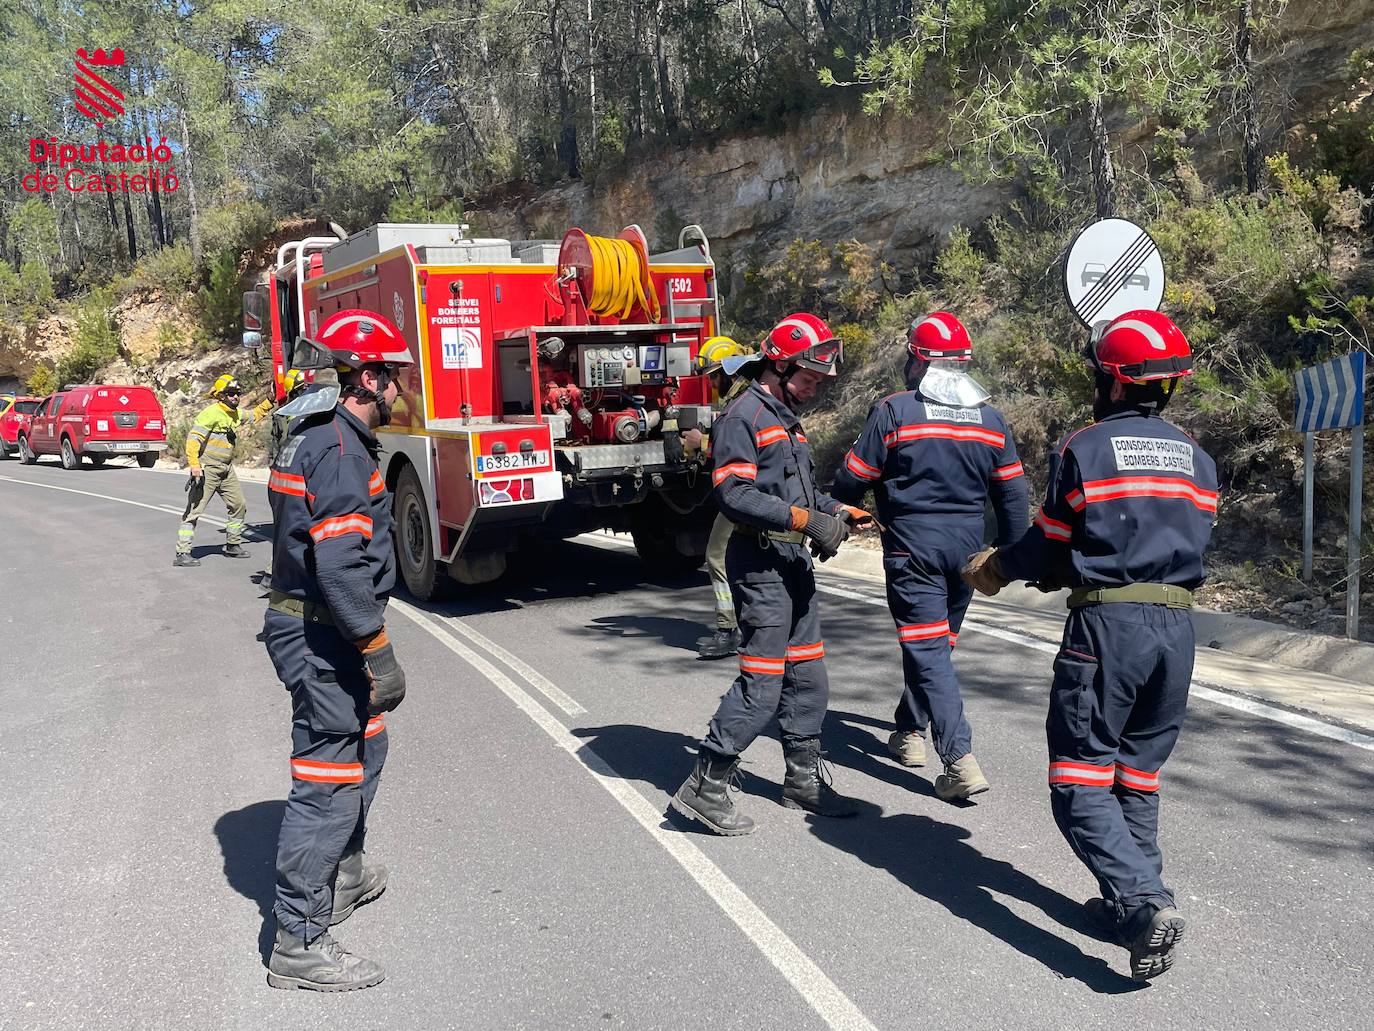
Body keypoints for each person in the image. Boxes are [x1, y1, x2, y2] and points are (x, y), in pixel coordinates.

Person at [961, 309, 1217, 981]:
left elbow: (1053, 543)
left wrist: (998, 568)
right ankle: (1128, 901)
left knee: (1077, 781)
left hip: (1111, 633)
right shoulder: (1199, 458)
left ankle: (1143, 900)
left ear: (1113, 379)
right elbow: (1150, 541)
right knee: (1136, 773)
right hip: (1177, 633)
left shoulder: (1089, 446)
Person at [671, 313, 871, 835]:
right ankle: (705, 784)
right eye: (809, 377)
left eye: (822, 380)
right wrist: (810, 521)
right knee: (764, 681)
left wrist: (839, 510)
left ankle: (801, 780)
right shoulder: (743, 417)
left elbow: (795, 493)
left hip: (792, 564)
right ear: (779, 365)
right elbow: (733, 495)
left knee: (808, 677)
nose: (817, 387)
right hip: (760, 565)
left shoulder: (784, 414)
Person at [262, 309, 413, 991]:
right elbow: (343, 569)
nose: (400, 391)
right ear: (366, 377)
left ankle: (345, 872)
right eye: (393, 378)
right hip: (325, 634)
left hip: (327, 627)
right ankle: (298, 937)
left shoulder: (316, 435)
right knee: (326, 786)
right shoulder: (342, 451)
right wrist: (378, 651)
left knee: (369, 744)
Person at [831, 312, 1028, 800]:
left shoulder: (896, 410)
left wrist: (843, 502)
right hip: (968, 549)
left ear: (918, 361)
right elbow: (1013, 497)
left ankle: (958, 757)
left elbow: (852, 479)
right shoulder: (991, 418)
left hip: (912, 547)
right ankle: (910, 731)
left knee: (927, 649)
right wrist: (1012, 556)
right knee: (937, 646)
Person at [686, 336, 754, 660]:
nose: (712, 383)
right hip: (761, 492)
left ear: (729, 370)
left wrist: (700, 443)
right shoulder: (753, 396)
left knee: (717, 555)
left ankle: (728, 629)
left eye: (714, 375)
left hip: (742, 492)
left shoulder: (738, 405)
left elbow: (729, 448)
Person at [173, 375, 273, 567]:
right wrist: (195, 466)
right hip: (207, 469)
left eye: (237, 393)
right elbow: (193, 441)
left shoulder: (235, 413)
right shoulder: (210, 414)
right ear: (221, 396)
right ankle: (182, 552)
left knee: (238, 505)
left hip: (226, 469)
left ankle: (232, 545)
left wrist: (270, 400)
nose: (236, 397)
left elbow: (254, 415)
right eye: (231, 394)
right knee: (194, 510)